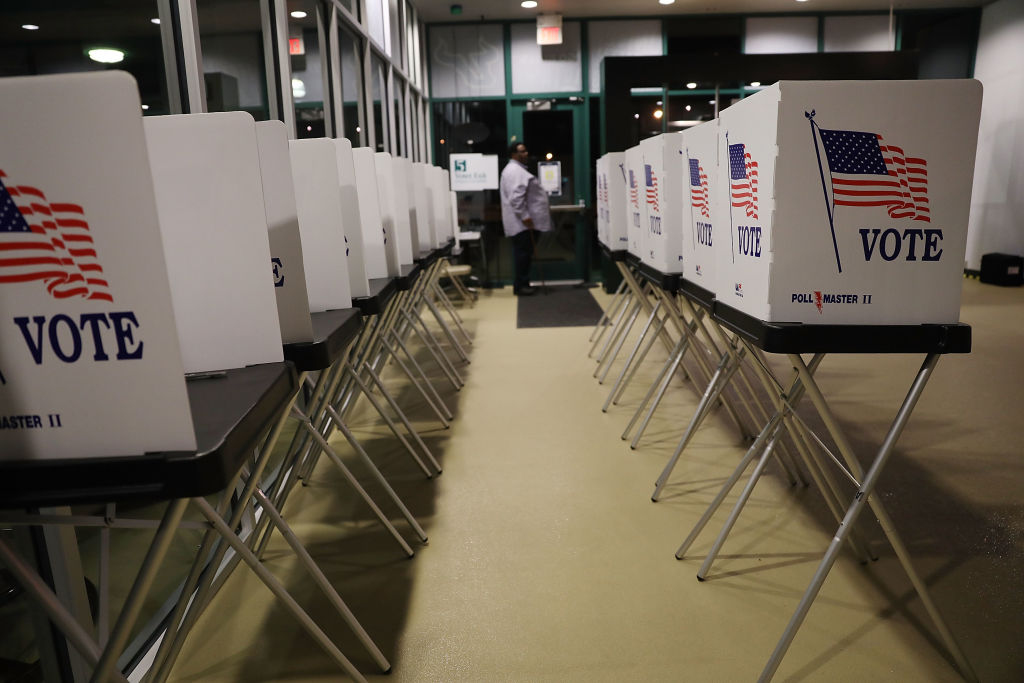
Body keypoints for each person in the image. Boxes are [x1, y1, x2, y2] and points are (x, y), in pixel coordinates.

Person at [499, 141, 552, 296]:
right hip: (521, 223)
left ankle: (523, 283)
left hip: (522, 222)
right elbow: (516, 198)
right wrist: (525, 216)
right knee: (522, 254)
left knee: (524, 254)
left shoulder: (516, 170)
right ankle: (521, 285)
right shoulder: (515, 171)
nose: (526, 154)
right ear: (513, 154)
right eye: (522, 151)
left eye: (526, 151)